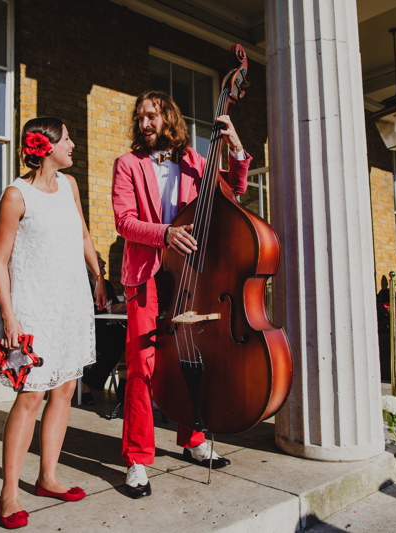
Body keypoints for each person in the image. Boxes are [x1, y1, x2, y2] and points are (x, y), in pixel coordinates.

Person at [111, 89, 250, 499]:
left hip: (191, 277)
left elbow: (235, 189)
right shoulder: (128, 164)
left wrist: (235, 146)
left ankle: (193, 440)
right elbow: (124, 221)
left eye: (151, 115)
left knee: (193, 356)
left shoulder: (195, 163)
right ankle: (138, 458)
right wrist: (166, 234)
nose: (144, 123)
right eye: (140, 117)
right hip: (146, 277)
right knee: (142, 365)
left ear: (168, 117)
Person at [0, 117, 107, 529]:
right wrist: (9, 316)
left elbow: (83, 235)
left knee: (65, 389)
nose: (73, 144)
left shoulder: (70, 186)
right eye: (67, 138)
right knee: (31, 396)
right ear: (46, 146)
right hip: (33, 309)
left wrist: (98, 276)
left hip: (70, 305)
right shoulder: (16, 196)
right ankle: (8, 493)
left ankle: (47, 477)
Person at [80, 252, 127, 405]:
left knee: (131, 341)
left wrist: (120, 308)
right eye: (99, 260)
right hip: (90, 331)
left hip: (110, 328)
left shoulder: (106, 284)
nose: (104, 263)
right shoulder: (81, 285)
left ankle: (124, 384)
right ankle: (87, 383)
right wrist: (110, 310)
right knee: (115, 347)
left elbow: (113, 306)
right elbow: (83, 311)